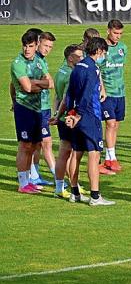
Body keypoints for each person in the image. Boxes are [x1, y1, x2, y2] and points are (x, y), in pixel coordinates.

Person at [64, 37, 114, 206]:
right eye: (104, 52)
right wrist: (78, 114)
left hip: (76, 114)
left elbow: (70, 93)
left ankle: (75, 193)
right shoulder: (93, 69)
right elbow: (86, 94)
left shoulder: (77, 67)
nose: (104, 55)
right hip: (89, 115)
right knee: (94, 155)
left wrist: (69, 112)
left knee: (76, 154)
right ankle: (95, 196)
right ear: (99, 51)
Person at [11, 30, 52, 194]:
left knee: (35, 145)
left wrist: (35, 82)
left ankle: (28, 180)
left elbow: (50, 82)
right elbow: (26, 88)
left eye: (30, 46)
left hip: (37, 108)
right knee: (25, 145)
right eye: (25, 46)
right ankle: (23, 183)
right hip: (24, 108)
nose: (27, 49)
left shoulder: (39, 61)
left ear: (36, 46)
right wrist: (37, 84)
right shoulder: (18, 63)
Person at [51, 44, 83, 199]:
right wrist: (61, 115)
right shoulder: (71, 74)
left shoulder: (60, 70)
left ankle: (65, 186)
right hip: (69, 117)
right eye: (79, 56)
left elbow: (56, 96)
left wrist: (56, 113)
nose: (82, 58)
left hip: (62, 117)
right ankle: (66, 187)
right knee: (67, 153)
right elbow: (65, 98)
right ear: (71, 58)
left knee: (65, 153)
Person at [100, 20, 127, 174]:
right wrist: (101, 88)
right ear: (108, 31)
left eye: (120, 34)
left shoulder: (123, 48)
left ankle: (109, 157)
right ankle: (111, 158)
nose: (118, 37)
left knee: (115, 125)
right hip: (107, 93)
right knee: (110, 124)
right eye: (115, 33)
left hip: (120, 93)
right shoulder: (101, 49)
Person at [31, 31, 56, 186]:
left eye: (50, 47)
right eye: (46, 45)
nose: (47, 49)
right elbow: (50, 82)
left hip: (44, 106)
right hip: (37, 107)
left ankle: (34, 175)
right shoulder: (34, 61)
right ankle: (57, 176)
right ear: (38, 43)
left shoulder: (42, 60)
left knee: (38, 143)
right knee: (46, 143)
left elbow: (49, 82)